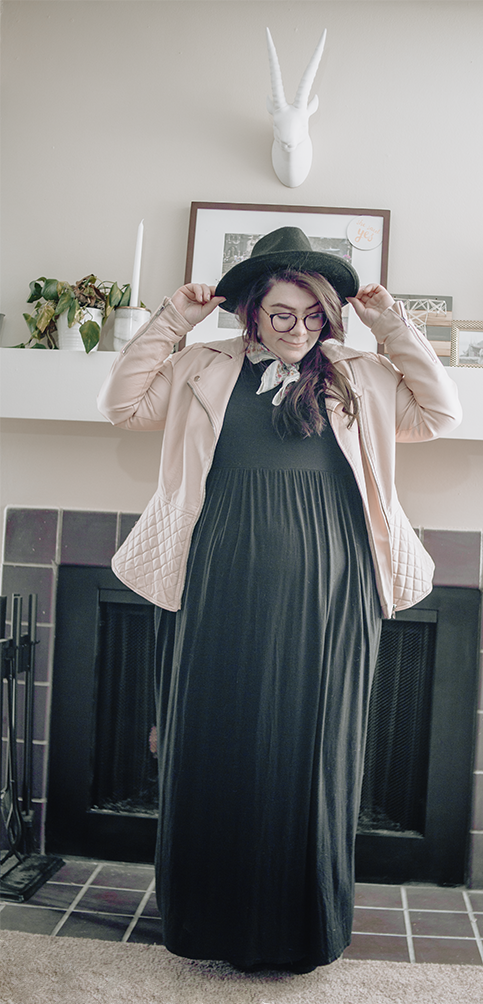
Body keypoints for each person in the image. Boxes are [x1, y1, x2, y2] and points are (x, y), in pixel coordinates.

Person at [97, 226, 461, 974]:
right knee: (212, 739)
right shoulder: (203, 366)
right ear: (251, 313)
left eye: (314, 315)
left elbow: (440, 413)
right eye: (282, 315)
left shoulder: (361, 374)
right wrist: (171, 320)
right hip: (215, 572)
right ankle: (207, 923)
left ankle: (302, 929)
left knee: (315, 747)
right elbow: (122, 404)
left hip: (334, 579)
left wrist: (393, 325)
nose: (299, 330)